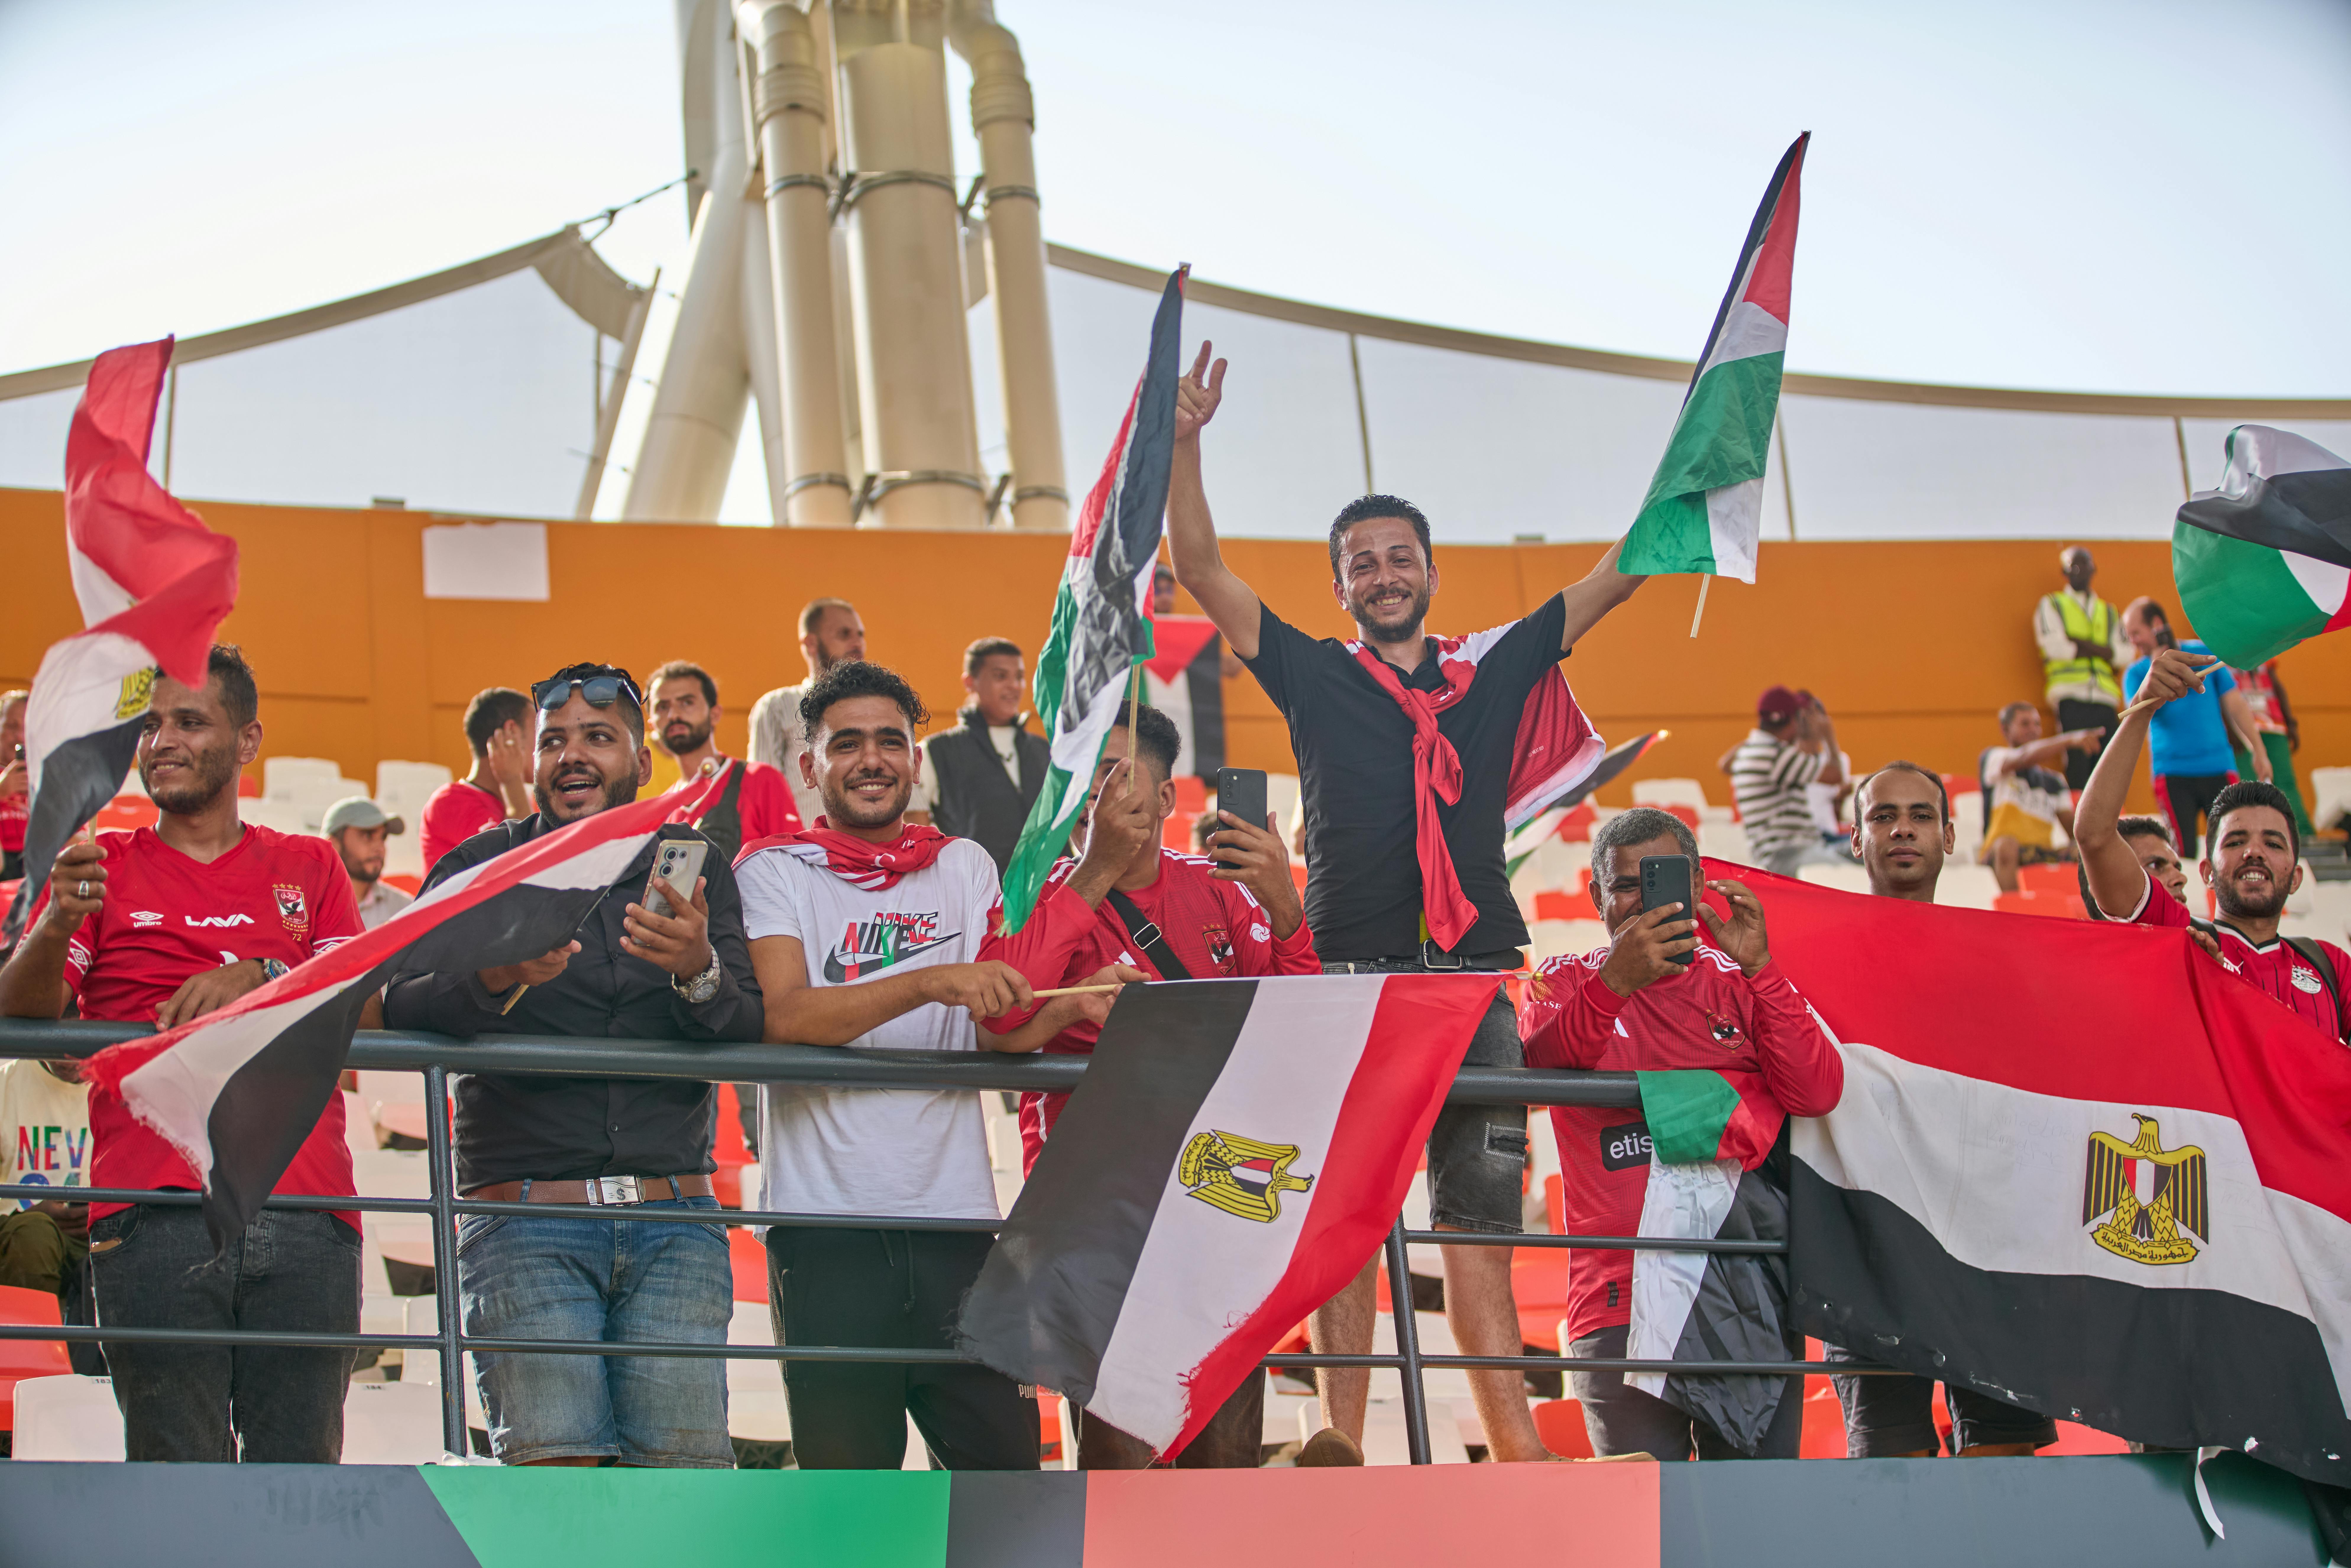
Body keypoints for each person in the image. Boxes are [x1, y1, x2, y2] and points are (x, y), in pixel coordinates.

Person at [1166, 340, 1646, 1466]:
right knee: (1343, 1226)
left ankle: (1514, 1460)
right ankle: (1337, 1445)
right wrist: (1184, 444)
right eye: (1361, 563)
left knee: (1477, 1230)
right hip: (1344, 983)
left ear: (1428, 571)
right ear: (1339, 587)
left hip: (1474, 990)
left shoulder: (1493, 668)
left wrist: (1691, 475)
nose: (1382, 574)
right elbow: (1197, 566)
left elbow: (1619, 572)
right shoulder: (1311, 672)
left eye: (1399, 556)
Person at [383, 662, 762, 1469]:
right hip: (525, 1222)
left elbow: (745, 1023)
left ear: (638, 758)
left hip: (675, 1227)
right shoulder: (483, 869)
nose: (571, 756)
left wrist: (699, 967)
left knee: (686, 1495)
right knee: (559, 1493)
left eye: (597, 738)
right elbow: (393, 997)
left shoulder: (694, 866)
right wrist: (498, 974)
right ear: (529, 760)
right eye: (554, 741)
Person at [0, 644, 368, 1463]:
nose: (162, 741)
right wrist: (58, 919)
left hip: (307, 1209)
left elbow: (367, 999)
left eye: (190, 721)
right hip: (153, 1215)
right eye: (150, 724)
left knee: (302, 1496)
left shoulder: (310, 866)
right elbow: (21, 1014)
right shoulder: (103, 870)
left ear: (247, 741)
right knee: (176, 1497)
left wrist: (263, 975)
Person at [736, 659, 1076, 1471]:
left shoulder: (963, 866)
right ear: (810, 764)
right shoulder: (774, 871)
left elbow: (993, 1031)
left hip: (960, 1229)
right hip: (826, 1238)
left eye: (891, 741)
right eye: (846, 744)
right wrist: (930, 979)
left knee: (1006, 1491)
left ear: (915, 759)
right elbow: (785, 1016)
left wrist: (1071, 1008)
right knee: (855, 1509)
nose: (873, 760)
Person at [979, 702, 1315, 1468]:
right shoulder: (1035, 894)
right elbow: (999, 1021)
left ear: (1168, 801)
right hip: (1095, 1218)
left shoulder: (1222, 890)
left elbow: (1300, 1030)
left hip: (1217, 1204)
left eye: (1125, 777)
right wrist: (1096, 871)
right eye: (1093, 779)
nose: (1106, 795)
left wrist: (1289, 912)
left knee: (1221, 1459)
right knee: (1119, 1471)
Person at [1518, 807, 1840, 1461]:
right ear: (1596, 898)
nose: (1642, 901)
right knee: (1635, 1540)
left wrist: (1762, 972)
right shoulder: (1563, 980)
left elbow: (1817, 1090)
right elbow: (1538, 1065)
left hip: (1746, 1293)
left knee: (1751, 1532)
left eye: (1660, 880)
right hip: (1616, 1303)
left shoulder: (1744, 982)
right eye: (1625, 886)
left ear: (1695, 887)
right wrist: (1616, 984)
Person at [1826, 760, 2062, 1455]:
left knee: (2005, 1463)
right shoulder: (1815, 958)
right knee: (1892, 1470)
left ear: (1950, 834)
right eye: (1883, 815)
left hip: (1988, 1245)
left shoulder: (1997, 962)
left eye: (1921, 814)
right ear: (1855, 837)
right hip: (1867, 1251)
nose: (1902, 827)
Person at [2078, 646, 2349, 1042]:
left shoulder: (2330, 965)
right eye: (2236, 841)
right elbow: (2095, 835)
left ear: (2296, 877)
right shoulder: (2178, 937)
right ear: (2205, 871)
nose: (2253, 851)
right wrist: (2142, 710)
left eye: (2273, 843)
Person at [2118, 598, 2268, 860]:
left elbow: (2236, 704)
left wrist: (2259, 750)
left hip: (2219, 767)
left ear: (2155, 625)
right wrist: (2157, 669)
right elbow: (2137, 717)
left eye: (2136, 634)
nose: (2133, 642)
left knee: (2230, 847)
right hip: (2173, 774)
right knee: (2183, 853)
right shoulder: (2136, 673)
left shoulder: (2203, 656)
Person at [647, 659, 802, 863]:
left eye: (687, 703)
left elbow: (796, 866)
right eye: (662, 707)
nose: (674, 714)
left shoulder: (761, 780)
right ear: (652, 723)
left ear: (715, 714)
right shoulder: (662, 814)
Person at [918, 637, 1050, 873]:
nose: (1015, 686)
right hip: (975, 901)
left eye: (1019, 676)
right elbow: (913, 837)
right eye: (1001, 676)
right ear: (970, 682)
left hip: (1049, 898)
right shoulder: (934, 752)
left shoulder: (1047, 751)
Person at [749, 598, 877, 829]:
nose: (858, 643)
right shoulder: (778, 706)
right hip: (797, 856)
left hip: (873, 858)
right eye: (845, 634)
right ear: (811, 643)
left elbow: (912, 806)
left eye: (861, 635)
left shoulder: (881, 707)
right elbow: (760, 797)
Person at [2033, 547, 2133, 792]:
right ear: (2065, 572)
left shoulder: (2109, 612)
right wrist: (2104, 651)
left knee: (2110, 773)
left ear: (2093, 570)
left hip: (2106, 699)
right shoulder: (2053, 604)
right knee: (2078, 773)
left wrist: (2078, 642)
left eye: (2083, 566)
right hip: (2071, 697)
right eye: (2073, 567)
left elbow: (2126, 654)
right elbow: (2055, 647)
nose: (2079, 572)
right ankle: (2081, 829)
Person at [1977, 703, 2101, 894]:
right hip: (2001, 855)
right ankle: (2015, 911)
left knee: (2084, 850)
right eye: (2025, 724)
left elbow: (2074, 830)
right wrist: (2070, 740)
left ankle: (2089, 911)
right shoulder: (1994, 758)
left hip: (2042, 853)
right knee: (2007, 844)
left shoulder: (2055, 781)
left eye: (2037, 724)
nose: (2033, 730)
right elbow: (2023, 757)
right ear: (2006, 730)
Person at [1730, 688, 1846, 876]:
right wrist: (1828, 735)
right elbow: (1835, 776)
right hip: (1787, 856)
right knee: (1854, 872)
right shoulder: (1777, 755)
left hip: (1788, 853)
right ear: (1795, 720)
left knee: (1866, 853)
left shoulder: (1753, 751)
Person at [0, 1054, 91, 1296]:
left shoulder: (123, 1087)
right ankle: (34, 1333)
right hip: (19, 1235)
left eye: (78, 1047)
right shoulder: (6, 1086)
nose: (70, 1059)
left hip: (98, 1234)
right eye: (60, 1047)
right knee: (35, 1235)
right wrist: (29, 1217)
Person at [1144, 562, 1242, 783]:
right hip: (1144, 729)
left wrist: (1245, 626)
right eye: (1157, 590)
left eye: (1169, 590)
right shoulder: (1128, 634)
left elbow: (1233, 668)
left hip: (1183, 738)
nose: (1165, 596)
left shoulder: (1189, 640)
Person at [419, 686, 534, 873]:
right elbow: (517, 868)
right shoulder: (450, 802)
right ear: (511, 733)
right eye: (539, 731)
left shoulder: (516, 801)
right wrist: (513, 781)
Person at [2229, 659, 2313, 835]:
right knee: (2248, 785)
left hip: (2273, 725)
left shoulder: (2264, 647)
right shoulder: (2217, 651)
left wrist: (2290, 722)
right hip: (2242, 730)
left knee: (2285, 782)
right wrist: (2229, 730)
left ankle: (2301, 835)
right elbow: (2221, 695)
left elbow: (2277, 686)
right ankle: (2252, 834)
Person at [321, 795, 412, 929]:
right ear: (333, 844)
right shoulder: (306, 905)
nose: (380, 848)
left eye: (383, 837)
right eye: (368, 835)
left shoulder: (405, 910)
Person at [1, 688, 27, 882]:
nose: (19, 736)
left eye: (27, 728)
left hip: (37, 868)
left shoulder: (50, 780)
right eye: (12, 726)